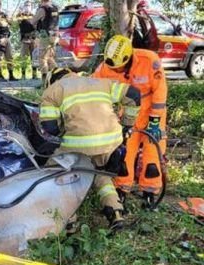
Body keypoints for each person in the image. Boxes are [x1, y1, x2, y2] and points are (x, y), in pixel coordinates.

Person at [39, 68, 142, 230]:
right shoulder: (100, 82)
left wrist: (63, 130)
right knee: (99, 174)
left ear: (52, 79)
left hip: (77, 146)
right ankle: (115, 212)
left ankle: (69, 222)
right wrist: (127, 125)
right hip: (110, 143)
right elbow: (134, 95)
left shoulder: (53, 90)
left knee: (55, 175)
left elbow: (50, 128)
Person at [93, 35, 167, 208]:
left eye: (119, 68)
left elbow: (160, 91)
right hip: (128, 116)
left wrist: (155, 120)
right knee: (125, 153)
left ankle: (150, 191)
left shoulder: (149, 61)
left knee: (152, 155)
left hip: (151, 112)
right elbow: (92, 84)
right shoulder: (106, 67)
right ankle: (121, 189)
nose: (116, 71)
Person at [30, 0, 59, 82]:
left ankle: (45, 82)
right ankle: (56, 77)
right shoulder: (55, 8)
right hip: (54, 35)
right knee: (50, 58)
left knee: (42, 58)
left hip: (45, 35)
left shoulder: (42, 9)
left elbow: (33, 21)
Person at [0, 0, 16, 81]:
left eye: (0, 3)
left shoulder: (3, 14)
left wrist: (6, 20)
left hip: (6, 37)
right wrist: (5, 21)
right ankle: (0, 76)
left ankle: (11, 75)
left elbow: (11, 22)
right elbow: (2, 23)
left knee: (10, 57)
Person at [16, 1, 38, 80]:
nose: (28, 7)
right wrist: (21, 12)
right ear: (24, 6)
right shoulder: (20, 15)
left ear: (31, 6)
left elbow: (36, 26)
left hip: (33, 39)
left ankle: (34, 75)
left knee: (34, 57)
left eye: (29, 5)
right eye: (26, 5)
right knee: (23, 58)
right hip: (24, 40)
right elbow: (18, 21)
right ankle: (23, 75)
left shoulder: (34, 15)